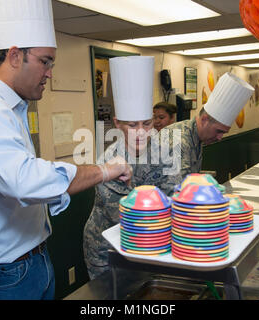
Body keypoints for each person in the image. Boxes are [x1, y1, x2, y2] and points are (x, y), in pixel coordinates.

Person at [0, 0, 132, 300]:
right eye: (45, 61)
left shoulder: (11, 109)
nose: (50, 73)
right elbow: (24, 181)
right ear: (15, 55)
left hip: (29, 264)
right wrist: (104, 170)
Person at [83, 56, 180, 280]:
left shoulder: (165, 152)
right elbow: (126, 218)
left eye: (147, 123)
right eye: (132, 125)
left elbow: (173, 195)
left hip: (152, 243)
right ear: (117, 124)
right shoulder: (109, 162)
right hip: (107, 247)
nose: (141, 132)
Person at [161, 72, 254, 179]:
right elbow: (178, 189)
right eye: (219, 131)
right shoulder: (178, 140)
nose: (220, 138)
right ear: (204, 119)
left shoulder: (196, 136)